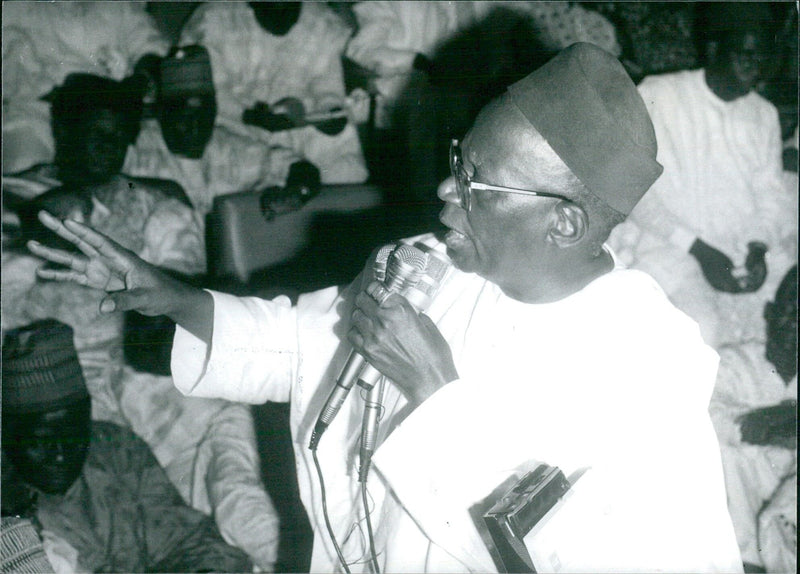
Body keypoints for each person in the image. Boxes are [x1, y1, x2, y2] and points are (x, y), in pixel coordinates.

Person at [27, 43, 743, 572]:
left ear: (564, 223)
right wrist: (175, 295)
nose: (443, 195)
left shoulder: (648, 371)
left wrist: (434, 391)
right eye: (459, 161)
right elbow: (304, 343)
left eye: (478, 185)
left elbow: (569, 553)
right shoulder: (437, 264)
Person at [3, 73, 280, 570]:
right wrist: (35, 226)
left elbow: (172, 319)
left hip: (141, 374)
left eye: (117, 135)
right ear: (63, 133)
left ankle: (265, 557)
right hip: (35, 389)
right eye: (93, 132)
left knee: (224, 422)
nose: (105, 146)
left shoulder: (157, 210)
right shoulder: (18, 197)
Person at [607, 2, 797, 349]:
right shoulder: (658, 95)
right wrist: (699, 250)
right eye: (745, 56)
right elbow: (634, 191)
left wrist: (758, 248)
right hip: (672, 250)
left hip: (742, 249)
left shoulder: (763, 114)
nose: (756, 70)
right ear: (714, 50)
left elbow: (771, 194)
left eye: (763, 59)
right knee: (700, 331)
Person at [1, 319, 252, 573]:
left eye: (73, 434)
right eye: (40, 440)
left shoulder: (115, 450)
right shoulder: (7, 506)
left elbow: (188, 540)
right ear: (8, 434)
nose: (59, 454)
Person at [179, 1, 368, 186]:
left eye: (290, 9)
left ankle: (329, 205)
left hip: (296, 122)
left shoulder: (321, 21)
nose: (282, 19)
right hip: (232, 124)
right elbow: (204, 93)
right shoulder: (214, 20)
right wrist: (249, 116)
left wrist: (329, 112)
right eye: (275, 10)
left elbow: (326, 85)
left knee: (343, 146)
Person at [123, 44, 318, 219]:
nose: (196, 127)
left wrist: (297, 192)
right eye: (184, 116)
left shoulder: (229, 148)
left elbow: (298, 167)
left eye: (203, 115)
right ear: (162, 113)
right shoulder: (136, 149)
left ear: (214, 111)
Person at [1, 0, 168, 174]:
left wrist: (142, 76)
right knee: (25, 170)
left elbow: (149, 47)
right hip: (37, 111)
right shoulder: (16, 7)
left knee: (146, 172)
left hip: (109, 114)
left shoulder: (119, 5)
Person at [709, 265, 797, 572]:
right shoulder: (732, 364)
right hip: (734, 540)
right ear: (769, 313)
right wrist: (769, 425)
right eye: (790, 311)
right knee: (728, 449)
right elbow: (705, 420)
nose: (795, 325)